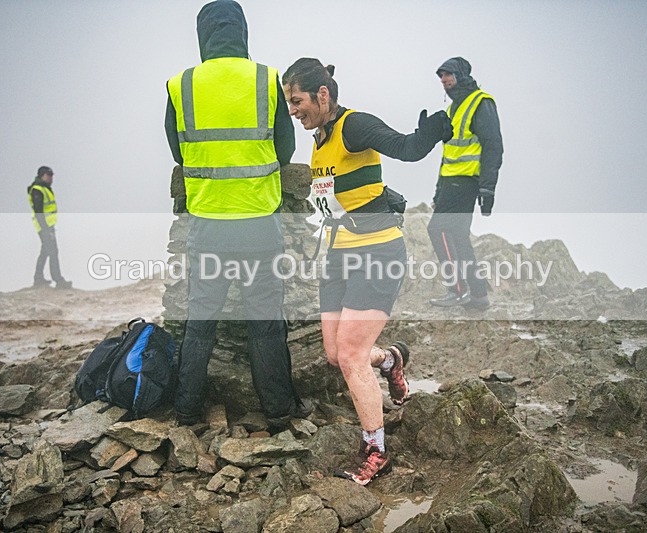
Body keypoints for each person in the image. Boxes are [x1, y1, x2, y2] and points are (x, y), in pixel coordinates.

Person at [282, 58, 451, 485]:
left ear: (322, 94)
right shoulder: (319, 139)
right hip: (339, 254)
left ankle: (376, 452)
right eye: (288, 103)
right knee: (336, 353)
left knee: (352, 355)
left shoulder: (353, 126)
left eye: (297, 100)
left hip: (377, 252)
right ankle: (391, 359)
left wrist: (430, 134)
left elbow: (407, 148)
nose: (293, 110)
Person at [164, 0, 308, 430]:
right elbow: (286, 149)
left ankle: (186, 412)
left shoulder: (181, 84)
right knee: (265, 323)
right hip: (258, 222)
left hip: (207, 223)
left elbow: (178, 152)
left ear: (203, 35)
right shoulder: (265, 78)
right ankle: (279, 412)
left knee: (200, 323)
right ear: (242, 33)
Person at [427, 57, 504, 310]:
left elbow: (493, 146)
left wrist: (488, 188)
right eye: (441, 76)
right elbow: (449, 154)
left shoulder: (481, 103)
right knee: (459, 237)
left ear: (461, 75)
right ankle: (479, 296)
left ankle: (456, 290)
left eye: (448, 74)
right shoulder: (453, 109)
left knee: (437, 229)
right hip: (450, 182)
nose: (444, 80)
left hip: (466, 181)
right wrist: (439, 190)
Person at [27, 165, 71, 289]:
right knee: (53, 252)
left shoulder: (44, 188)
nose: (51, 178)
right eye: (49, 175)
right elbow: (39, 212)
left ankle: (38, 278)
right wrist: (46, 229)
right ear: (42, 176)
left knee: (46, 251)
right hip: (44, 227)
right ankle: (58, 280)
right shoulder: (38, 190)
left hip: (48, 226)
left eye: (52, 176)